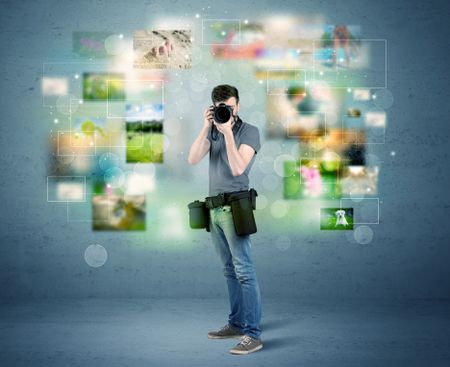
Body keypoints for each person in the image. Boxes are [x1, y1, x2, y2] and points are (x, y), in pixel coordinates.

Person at [188, 84, 262, 355]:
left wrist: (228, 132)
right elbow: (193, 158)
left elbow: (238, 167)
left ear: (237, 105)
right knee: (229, 270)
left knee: (244, 271)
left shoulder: (249, 131)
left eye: (229, 107)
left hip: (236, 208)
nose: (225, 112)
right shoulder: (212, 129)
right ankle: (236, 323)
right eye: (221, 108)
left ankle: (252, 334)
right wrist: (204, 126)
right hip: (214, 210)